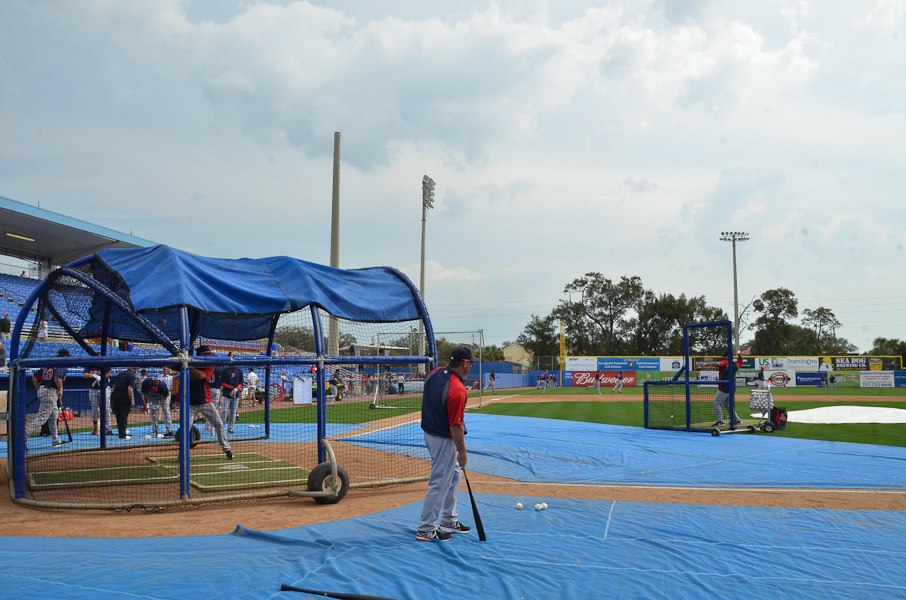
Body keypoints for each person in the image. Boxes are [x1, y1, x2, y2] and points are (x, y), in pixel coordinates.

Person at [416, 345, 473, 542]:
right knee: (440, 482)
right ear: (464, 363)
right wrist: (462, 452)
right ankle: (426, 529)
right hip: (443, 438)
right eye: (470, 362)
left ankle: (448, 520)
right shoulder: (457, 389)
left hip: (430, 431)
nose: (471, 366)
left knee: (455, 474)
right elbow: (455, 426)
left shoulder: (435, 373)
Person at [180, 345, 232, 459]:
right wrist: (181, 358)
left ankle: (227, 449)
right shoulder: (189, 361)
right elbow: (169, 365)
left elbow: (201, 376)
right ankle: (182, 454)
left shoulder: (209, 365)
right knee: (185, 429)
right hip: (190, 402)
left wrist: (188, 365)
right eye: (207, 355)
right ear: (201, 355)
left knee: (219, 424)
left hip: (205, 401)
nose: (210, 357)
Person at [25, 348, 70, 449]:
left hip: (44, 390)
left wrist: (39, 389)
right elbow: (57, 377)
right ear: (65, 357)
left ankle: (56, 440)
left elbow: (34, 377)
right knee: (42, 418)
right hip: (50, 392)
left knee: (54, 416)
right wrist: (61, 389)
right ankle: (22, 439)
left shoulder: (49, 363)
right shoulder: (61, 363)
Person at [701, 353, 744, 427]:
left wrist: (706, 364)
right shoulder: (735, 364)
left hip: (724, 388)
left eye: (724, 356)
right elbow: (740, 360)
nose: (723, 357)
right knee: (728, 405)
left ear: (728, 356)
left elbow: (718, 364)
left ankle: (720, 422)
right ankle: (737, 419)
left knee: (716, 403)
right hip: (731, 387)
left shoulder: (725, 362)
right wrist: (739, 354)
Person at [82, 366, 113, 435]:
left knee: (106, 409)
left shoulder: (105, 364)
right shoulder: (90, 365)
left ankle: (108, 429)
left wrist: (102, 377)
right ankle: (95, 428)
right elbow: (84, 374)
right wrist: (93, 375)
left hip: (104, 388)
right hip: (93, 389)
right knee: (94, 410)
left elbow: (110, 374)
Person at [110, 366, 138, 439]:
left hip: (116, 394)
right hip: (124, 395)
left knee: (118, 414)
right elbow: (129, 388)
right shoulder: (132, 375)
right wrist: (132, 399)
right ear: (136, 369)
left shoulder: (121, 373)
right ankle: (122, 434)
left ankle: (121, 431)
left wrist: (114, 393)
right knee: (124, 415)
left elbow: (114, 385)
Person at [220, 355, 244, 434]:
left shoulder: (239, 371)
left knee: (233, 413)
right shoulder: (225, 370)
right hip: (226, 395)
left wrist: (237, 388)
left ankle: (230, 427)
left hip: (235, 395)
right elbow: (221, 382)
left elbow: (241, 382)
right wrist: (230, 387)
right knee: (224, 411)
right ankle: (221, 427)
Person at [204, 365, 223, 435]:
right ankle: (211, 427)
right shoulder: (218, 370)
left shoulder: (207, 368)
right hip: (216, 389)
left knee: (207, 408)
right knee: (213, 409)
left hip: (207, 389)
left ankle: (207, 427)